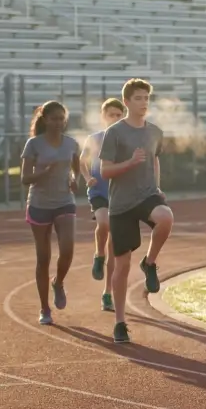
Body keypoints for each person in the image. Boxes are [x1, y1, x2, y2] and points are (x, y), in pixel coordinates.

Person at [97, 78, 174, 344]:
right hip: (121, 204)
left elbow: (154, 160)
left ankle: (150, 262)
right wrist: (129, 162)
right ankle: (120, 321)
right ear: (127, 102)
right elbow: (105, 170)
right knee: (121, 266)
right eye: (138, 98)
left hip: (147, 194)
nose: (143, 103)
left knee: (166, 218)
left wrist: (158, 186)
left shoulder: (154, 131)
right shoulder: (115, 133)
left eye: (146, 98)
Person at [20, 101, 82, 325]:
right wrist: (43, 173)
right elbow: (25, 178)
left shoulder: (72, 144)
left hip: (65, 201)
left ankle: (59, 282)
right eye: (54, 118)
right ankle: (45, 308)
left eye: (61, 119)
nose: (58, 123)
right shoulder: (33, 145)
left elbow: (76, 168)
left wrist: (75, 180)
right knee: (43, 258)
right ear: (45, 119)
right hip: (39, 204)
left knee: (67, 249)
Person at [78, 97, 126, 312]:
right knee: (103, 223)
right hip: (98, 191)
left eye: (118, 114)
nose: (115, 118)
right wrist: (87, 177)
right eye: (111, 115)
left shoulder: (126, 141)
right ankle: (98, 254)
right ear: (103, 117)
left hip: (119, 194)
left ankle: (107, 292)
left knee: (115, 246)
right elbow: (82, 161)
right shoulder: (94, 138)